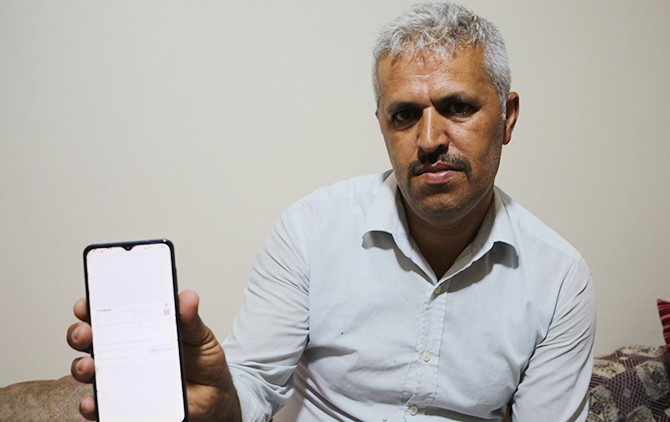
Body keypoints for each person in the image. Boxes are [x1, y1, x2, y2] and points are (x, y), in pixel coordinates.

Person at [68, 2, 595, 421]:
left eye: (458, 108)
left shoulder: (559, 279)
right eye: (404, 115)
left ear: (507, 117)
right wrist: (223, 401)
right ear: (382, 124)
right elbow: (253, 384)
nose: (430, 139)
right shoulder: (310, 230)